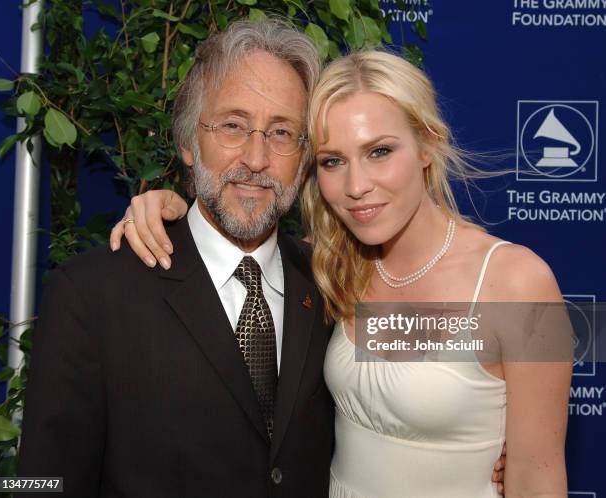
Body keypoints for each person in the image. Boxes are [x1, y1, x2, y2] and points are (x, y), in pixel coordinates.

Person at [114, 50, 571, 497]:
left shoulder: (520, 282)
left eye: (380, 151)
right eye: (333, 161)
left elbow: (538, 478)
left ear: (428, 145)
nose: (356, 187)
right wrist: (167, 208)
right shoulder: (328, 267)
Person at [18, 20, 334, 497]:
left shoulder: (331, 281)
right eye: (232, 125)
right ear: (188, 143)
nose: (255, 157)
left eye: (282, 132)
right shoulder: (91, 296)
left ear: (305, 157)